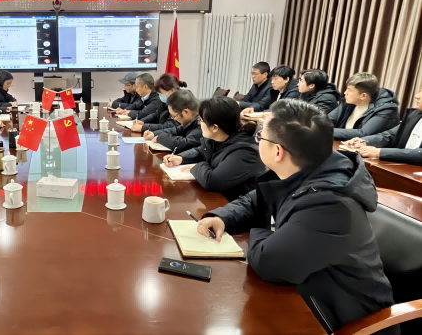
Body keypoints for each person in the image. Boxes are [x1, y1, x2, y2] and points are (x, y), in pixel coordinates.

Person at [196, 99, 395, 334]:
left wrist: (264, 230)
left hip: (341, 319)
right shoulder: (307, 167)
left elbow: (268, 262)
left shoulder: (330, 204)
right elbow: (256, 199)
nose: (257, 141)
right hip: (305, 291)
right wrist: (223, 217)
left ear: (278, 151)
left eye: (260, 137)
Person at [163, 97, 263, 201]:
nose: (199, 124)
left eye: (201, 120)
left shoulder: (245, 151)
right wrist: (181, 158)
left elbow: (212, 181)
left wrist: (196, 166)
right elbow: (201, 150)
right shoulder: (219, 136)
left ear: (215, 127)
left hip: (236, 204)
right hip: (221, 198)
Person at [345, 88, 422, 165]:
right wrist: (365, 141)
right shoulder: (415, 115)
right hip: (400, 166)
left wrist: (380, 152)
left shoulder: (388, 108)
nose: (417, 96)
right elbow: (391, 135)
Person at [328, 73, 399, 141]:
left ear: (363, 96)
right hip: (342, 143)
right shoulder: (349, 102)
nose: (345, 93)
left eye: (349, 90)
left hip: (366, 147)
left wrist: (327, 131)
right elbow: (328, 120)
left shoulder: (386, 109)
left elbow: (363, 133)